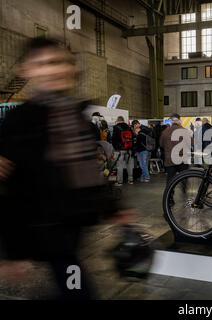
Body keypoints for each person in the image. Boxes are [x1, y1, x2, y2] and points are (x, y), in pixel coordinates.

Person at [0, 37, 130, 300]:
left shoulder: (73, 114)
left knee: (68, 286)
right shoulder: (20, 120)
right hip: (46, 227)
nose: (55, 69)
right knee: (77, 289)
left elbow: (87, 169)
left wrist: (114, 210)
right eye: (45, 63)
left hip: (72, 225)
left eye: (60, 62)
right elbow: (10, 189)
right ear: (27, 71)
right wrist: (11, 253)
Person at [159, 113, 191, 184]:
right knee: (184, 177)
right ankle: (184, 190)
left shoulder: (165, 132)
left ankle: (169, 193)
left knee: (170, 179)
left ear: (171, 121)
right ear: (179, 120)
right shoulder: (184, 131)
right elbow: (190, 144)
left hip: (170, 159)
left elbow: (161, 144)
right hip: (182, 158)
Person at [112, 116, 135, 186]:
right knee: (130, 166)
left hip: (120, 150)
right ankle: (130, 180)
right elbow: (133, 137)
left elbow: (114, 139)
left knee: (120, 166)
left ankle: (120, 182)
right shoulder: (129, 127)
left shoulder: (116, 127)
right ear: (123, 120)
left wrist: (115, 148)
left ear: (118, 120)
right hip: (129, 150)